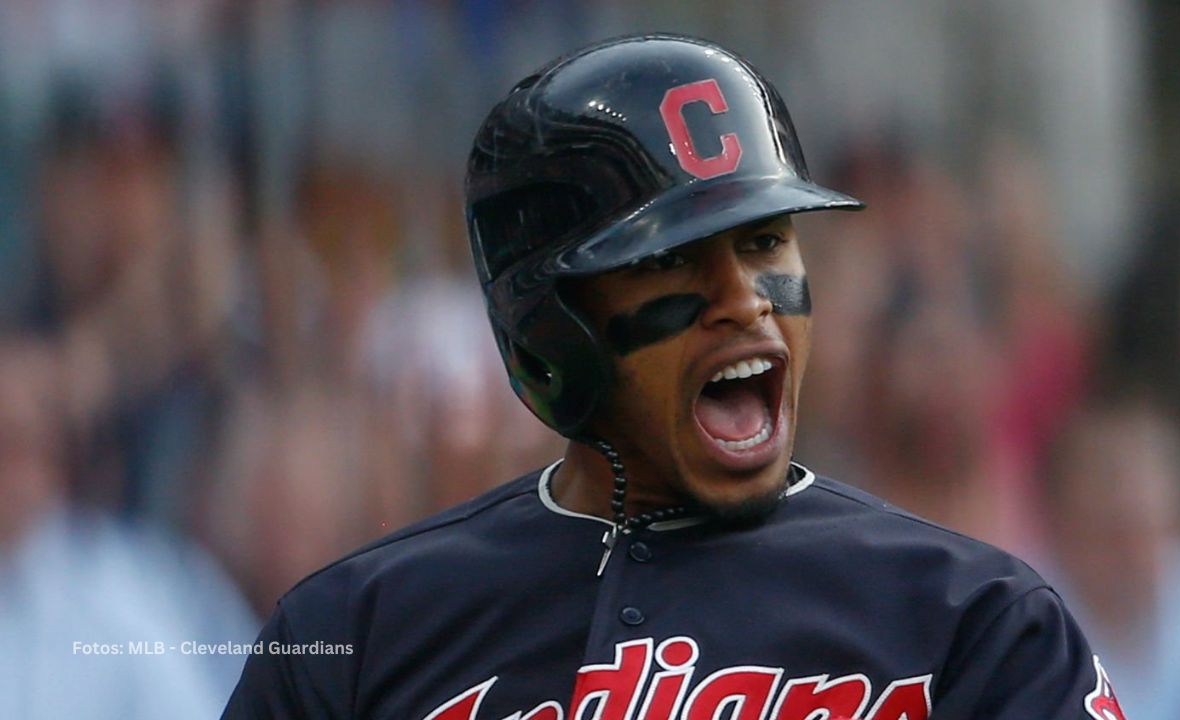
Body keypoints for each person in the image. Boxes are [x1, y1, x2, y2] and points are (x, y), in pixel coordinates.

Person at [222, 33, 1125, 719]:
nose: (743, 300)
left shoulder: (979, 625)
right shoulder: (355, 635)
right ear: (551, 324)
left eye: (765, 241)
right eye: (671, 261)